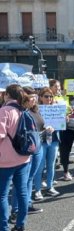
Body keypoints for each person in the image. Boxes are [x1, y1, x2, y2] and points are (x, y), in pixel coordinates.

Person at [9, 87, 44, 224]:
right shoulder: (20, 111)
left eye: (35, 96)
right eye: (31, 97)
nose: (34, 99)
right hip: (25, 149)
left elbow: (39, 126)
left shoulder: (35, 110)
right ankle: (16, 210)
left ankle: (27, 204)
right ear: (24, 98)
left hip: (37, 147)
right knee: (21, 182)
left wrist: (47, 128)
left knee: (29, 179)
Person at [0, 85, 31, 231]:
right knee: (22, 191)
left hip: (5, 160)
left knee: (2, 195)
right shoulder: (23, 110)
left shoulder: (4, 111)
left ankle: (3, 227)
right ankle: (20, 224)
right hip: (23, 157)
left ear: (6, 95)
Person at [34, 87, 61, 200]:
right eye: (46, 96)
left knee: (51, 165)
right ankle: (37, 190)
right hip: (41, 141)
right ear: (40, 97)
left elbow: (60, 124)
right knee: (39, 167)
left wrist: (64, 120)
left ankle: (50, 187)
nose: (49, 98)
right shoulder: (36, 110)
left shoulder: (56, 108)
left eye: (50, 96)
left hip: (53, 140)